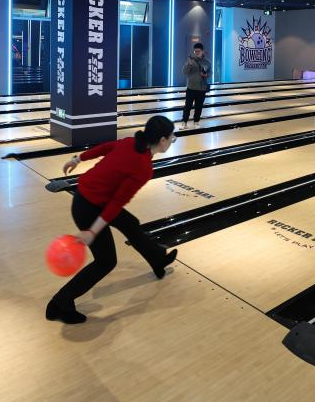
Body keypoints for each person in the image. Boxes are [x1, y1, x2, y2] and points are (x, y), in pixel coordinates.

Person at [46, 115, 179, 324]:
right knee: (106, 261)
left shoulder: (130, 142)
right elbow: (117, 202)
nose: (172, 140)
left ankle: (157, 259)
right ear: (162, 140)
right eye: (172, 137)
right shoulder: (143, 167)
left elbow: (105, 147)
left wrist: (78, 159)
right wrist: (92, 231)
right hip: (89, 208)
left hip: (89, 198)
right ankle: (60, 303)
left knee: (130, 224)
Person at [180, 42, 211, 129]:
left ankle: (196, 122)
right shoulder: (191, 61)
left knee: (199, 106)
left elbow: (210, 72)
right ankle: (184, 122)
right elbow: (184, 71)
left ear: (202, 51)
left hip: (202, 88)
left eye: (198, 51)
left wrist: (206, 75)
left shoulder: (207, 62)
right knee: (187, 106)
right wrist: (189, 64)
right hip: (191, 87)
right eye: (195, 51)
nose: (196, 53)